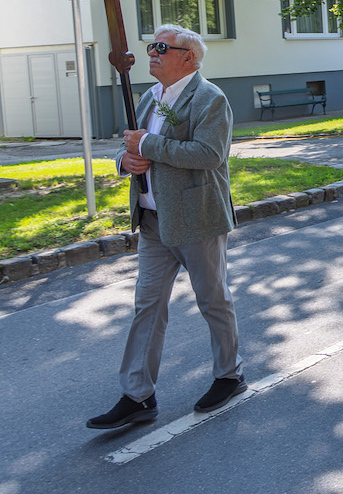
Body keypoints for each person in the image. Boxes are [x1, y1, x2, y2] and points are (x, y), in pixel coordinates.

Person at [89, 25, 244, 429]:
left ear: (188, 57)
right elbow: (130, 144)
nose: (153, 53)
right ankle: (138, 396)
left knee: (213, 299)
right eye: (151, 46)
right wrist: (125, 161)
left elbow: (209, 154)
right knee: (147, 306)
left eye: (162, 47)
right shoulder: (149, 96)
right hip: (153, 221)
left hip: (197, 219)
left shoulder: (210, 98)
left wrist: (146, 146)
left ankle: (229, 375)